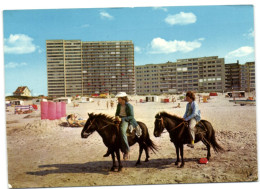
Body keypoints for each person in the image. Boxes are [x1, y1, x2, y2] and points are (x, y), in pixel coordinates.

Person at [114, 92, 141, 160]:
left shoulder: (129, 106)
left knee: (122, 131)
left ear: (123, 99)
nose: (118, 100)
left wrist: (122, 119)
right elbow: (117, 113)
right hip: (119, 119)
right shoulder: (119, 105)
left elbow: (131, 116)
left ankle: (126, 150)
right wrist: (116, 117)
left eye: (119, 99)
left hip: (126, 120)